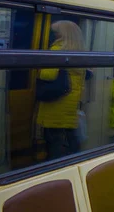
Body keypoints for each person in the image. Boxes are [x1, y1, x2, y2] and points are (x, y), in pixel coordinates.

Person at [36, 21, 85, 161]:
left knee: (53, 148)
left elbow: (47, 75)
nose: (54, 35)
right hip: (69, 108)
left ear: (63, 34)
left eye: (56, 32)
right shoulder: (79, 53)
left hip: (55, 108)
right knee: (70, 146)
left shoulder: (57, 50)